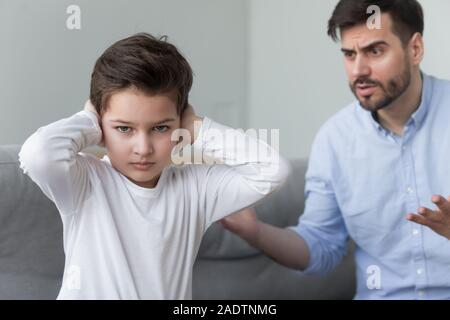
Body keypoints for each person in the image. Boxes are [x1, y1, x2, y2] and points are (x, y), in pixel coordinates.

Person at [18, 33, 290, 299]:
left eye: (160, 128)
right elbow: (38, 154)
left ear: (180, 123)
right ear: (102, 126)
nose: (143, 148)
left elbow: (272, 170)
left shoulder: (196, 189)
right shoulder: (83, 181)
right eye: (124, 128)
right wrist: (89, 121)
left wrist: (197, 128)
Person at [221, 0, 450, 299]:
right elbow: (320, 246)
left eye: (375, 51)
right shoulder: (335, 140)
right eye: (349, 54)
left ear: (415, 49)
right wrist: (254, 232)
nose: (359, 70)